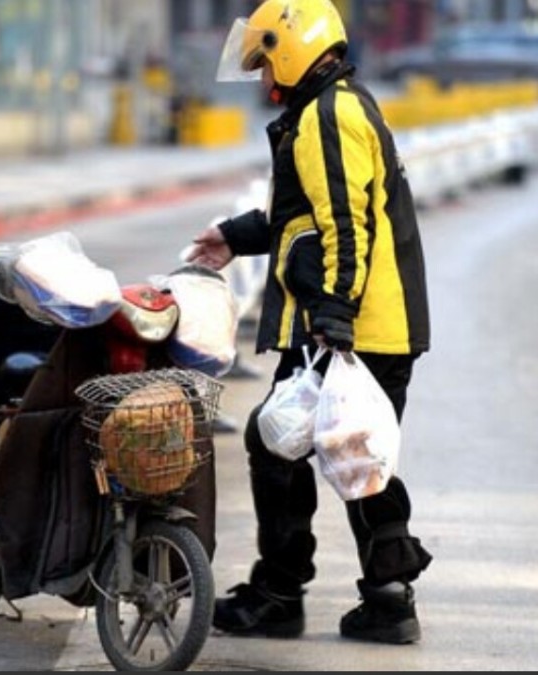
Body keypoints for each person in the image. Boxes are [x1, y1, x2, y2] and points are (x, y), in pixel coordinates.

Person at [185, 0, 432, 645]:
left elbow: (345, 226)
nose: (265, 79)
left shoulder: (328, 114)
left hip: (350, 328)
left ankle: (279, 594)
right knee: (358, 455)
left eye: (267, 63)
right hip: (371, 325)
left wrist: (333, 316)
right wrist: (235, 236)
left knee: (280, 443)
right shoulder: (335, 107)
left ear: (293, 49)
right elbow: (302, 215)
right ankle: (388, 602)